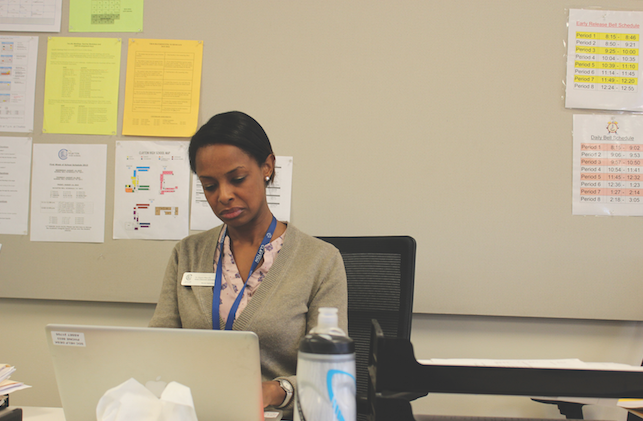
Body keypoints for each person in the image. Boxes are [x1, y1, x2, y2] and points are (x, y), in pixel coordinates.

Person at [149, 111, 348, 416]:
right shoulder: (186, 254)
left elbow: (330, 374)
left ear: (267, 166)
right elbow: (158, 348)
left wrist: (276, 390)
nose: (224, 195)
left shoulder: (320, 260)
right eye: (210, 185)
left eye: (237, 179)